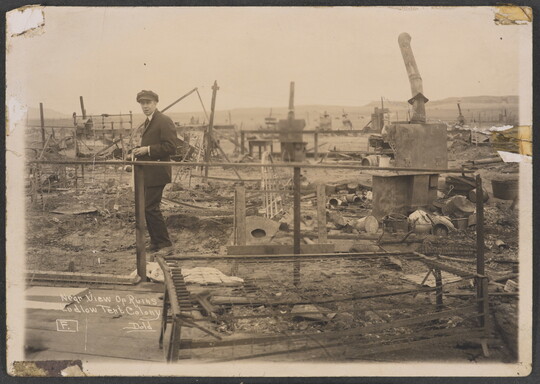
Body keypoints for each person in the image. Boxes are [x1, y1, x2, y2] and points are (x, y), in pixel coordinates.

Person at [132, 90, 177, 252]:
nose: (145, 106)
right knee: (147, 207)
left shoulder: (164, 120)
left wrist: (147, 150)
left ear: (156, 103)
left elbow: (171, 147)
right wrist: (140, 150)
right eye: (142, 103)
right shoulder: (149, 121)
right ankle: (156, 243)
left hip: (157, 172)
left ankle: (165, 244)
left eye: (148, 103)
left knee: (150, 208)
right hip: (148, 172)